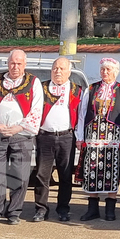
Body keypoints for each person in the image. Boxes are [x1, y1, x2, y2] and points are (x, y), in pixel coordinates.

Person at [0, 50, 43, 226]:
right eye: (12, 63)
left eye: (19, 63)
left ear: (25, 64)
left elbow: (37, 109)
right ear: (8, 63)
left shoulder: (34, 82)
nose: (15, 67)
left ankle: (14, 212)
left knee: (20, 175)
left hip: (22, 135)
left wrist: (19, 127)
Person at [76, 58, 120, 222]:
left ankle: (110, 210)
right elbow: (82, 113)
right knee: (91, 171)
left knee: (111, 172)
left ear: (116, 72)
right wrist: (80, 136)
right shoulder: (91, 89)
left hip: (113, 139)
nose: (105, 72)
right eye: (103, 69)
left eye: (109, 69)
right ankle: (92, 209)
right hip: (92, 136)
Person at [32, 57, 82, 223]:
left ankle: (63, 209)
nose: (58, 71)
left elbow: (81, 116)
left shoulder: (77, 90)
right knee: (41, 175)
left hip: (66, 137)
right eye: (55, 68)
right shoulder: (42, 87)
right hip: (45, 136)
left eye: (61, 68)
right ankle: (41, 209)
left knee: (66, 176)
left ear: (69, 71)